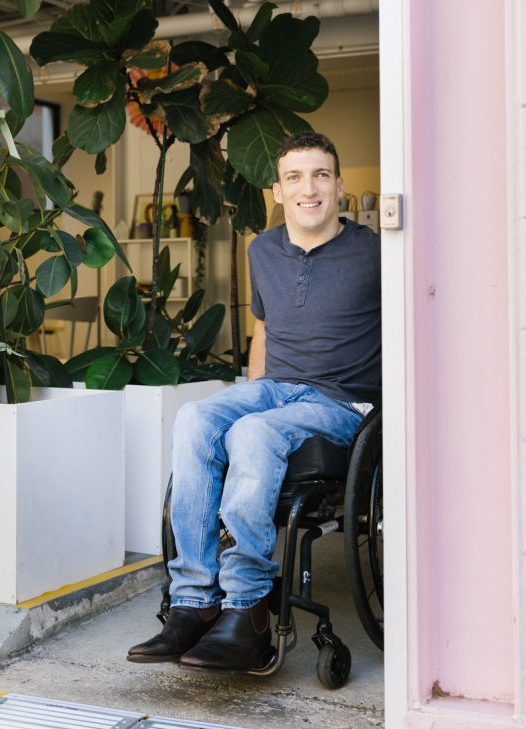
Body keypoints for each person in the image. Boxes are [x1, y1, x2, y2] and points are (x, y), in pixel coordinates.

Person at [127, 132, 381, 672]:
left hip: (342, 401)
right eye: (294, 177)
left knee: (254, 433)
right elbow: (263, 331)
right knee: (197, 417)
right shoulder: (262, 249)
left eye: (319, 175)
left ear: (339, 184)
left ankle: (247, 607)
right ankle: (194, 601)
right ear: (278, 189)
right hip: (275, 386)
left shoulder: (376, 250)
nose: (307, 188)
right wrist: (252, 394)